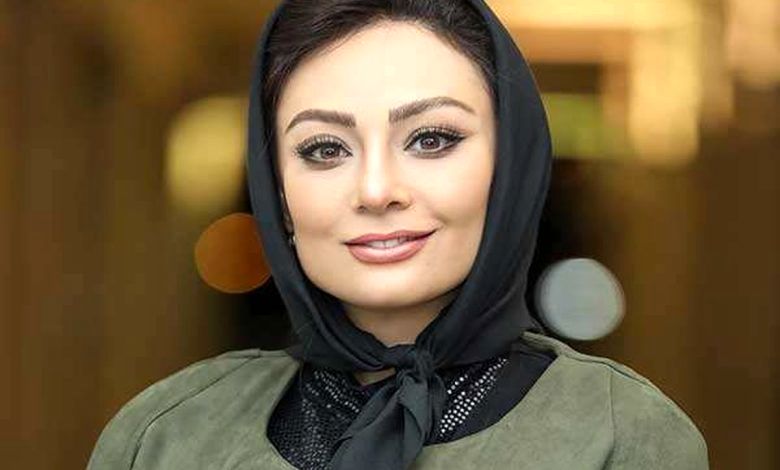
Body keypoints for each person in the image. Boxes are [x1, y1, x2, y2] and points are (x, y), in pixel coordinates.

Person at [87, 1, 709, 469]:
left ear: (509, 168)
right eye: (325, 148)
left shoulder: (622, 438)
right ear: (278, 192)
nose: (377, 189)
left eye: (431, 139)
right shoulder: (164, 437)